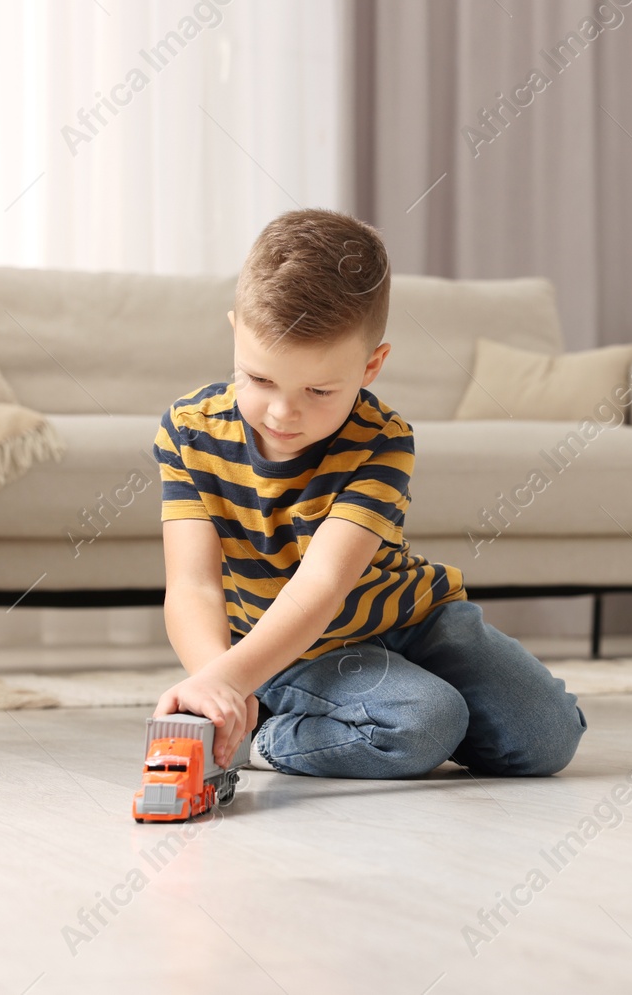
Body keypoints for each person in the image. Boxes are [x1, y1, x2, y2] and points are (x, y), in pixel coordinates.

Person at [150, 208, 586, 780]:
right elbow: (192, 584)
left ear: (371, 366)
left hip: (410, 616)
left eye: (319, 389)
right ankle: (268, 736)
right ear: (237, 332)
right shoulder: (189, 431)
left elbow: (325, 584)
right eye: (259, 379)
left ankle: (389, 715)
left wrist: (228, 680)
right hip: (285, 646)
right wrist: (220, 682)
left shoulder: (384, 440)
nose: (283, 412)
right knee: (424, 720)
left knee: (548, 737)